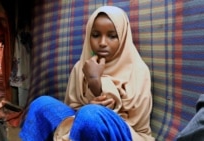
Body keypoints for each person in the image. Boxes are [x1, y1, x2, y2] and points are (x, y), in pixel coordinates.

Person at [20, 6, 154, 141]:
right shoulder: (81, 67)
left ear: (123, 38)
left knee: (90, 115)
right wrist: (90, 105)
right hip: (83, 121)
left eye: (112, 36)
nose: (102, 43)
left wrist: (95, 81)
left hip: (126, 132)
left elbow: (137, 120)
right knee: (41, 104)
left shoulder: (138, 70)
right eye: (95, 35)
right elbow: (73, 108)